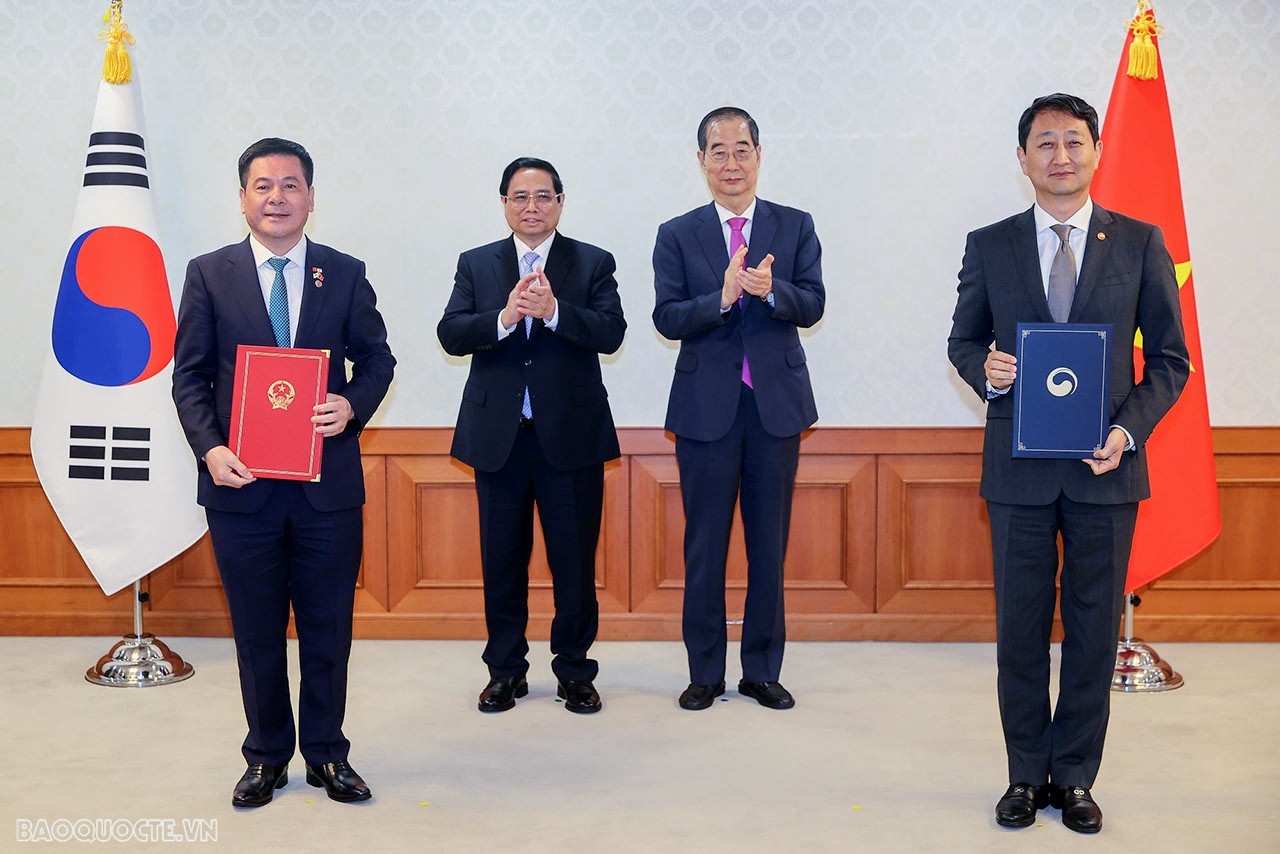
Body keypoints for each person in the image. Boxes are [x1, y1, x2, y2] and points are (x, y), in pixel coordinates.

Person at [947, 93, 1189, 834]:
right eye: (1044, 143)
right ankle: (1025, 775)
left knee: (1090, 631)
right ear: (1022, 160)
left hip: (1105, 469)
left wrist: (1127, 432)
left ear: (1097, 151)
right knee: (1019, 630)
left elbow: (1170, 363)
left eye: (1074, 142)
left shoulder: (1141, 242)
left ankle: (1076, 777)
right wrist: (985, 368)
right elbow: (962, 342)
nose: (1060, 156)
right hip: (1018, 472)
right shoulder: (990, 244)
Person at [172, 137, 395, 807]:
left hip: (327, 487)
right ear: (242, 198)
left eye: (291, 185)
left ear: (311, 197)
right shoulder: (209, 273)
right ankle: (266, 754)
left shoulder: (345, 273)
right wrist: (210, 448)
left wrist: (351, 405)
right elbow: (188, 376)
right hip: (241, 486)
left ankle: (328, 754)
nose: (277, 197)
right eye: (263, 185)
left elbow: (378, 361)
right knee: (257, 629)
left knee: (329, 626)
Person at [438, 157, 625, 715]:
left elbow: (611, 333)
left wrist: (554, 311)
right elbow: (450, 332)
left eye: (543, 197)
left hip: (570, 438)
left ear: (560, 203)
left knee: (574, 564)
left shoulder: (591, 262)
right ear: (504, 205)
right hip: (499, 438)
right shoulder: (477, 264)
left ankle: (574, 671)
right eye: (520, 197)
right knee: (502, 561)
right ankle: (505, 671)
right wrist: (501, 318)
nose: (532, 207)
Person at [653, 107, 825, 712]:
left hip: (774, 407)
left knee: (768, 544)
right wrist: (722, 297)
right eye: (718, 152)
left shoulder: (794, 225)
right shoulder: (677, 233)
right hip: (706, 409)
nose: (732, 162)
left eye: (742, 149)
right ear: (701, 161)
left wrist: (770, 290)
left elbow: (813, 304)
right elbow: (666, 317)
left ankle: (761, 669)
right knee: (704, 544)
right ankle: (705, 671)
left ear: (759, 155)